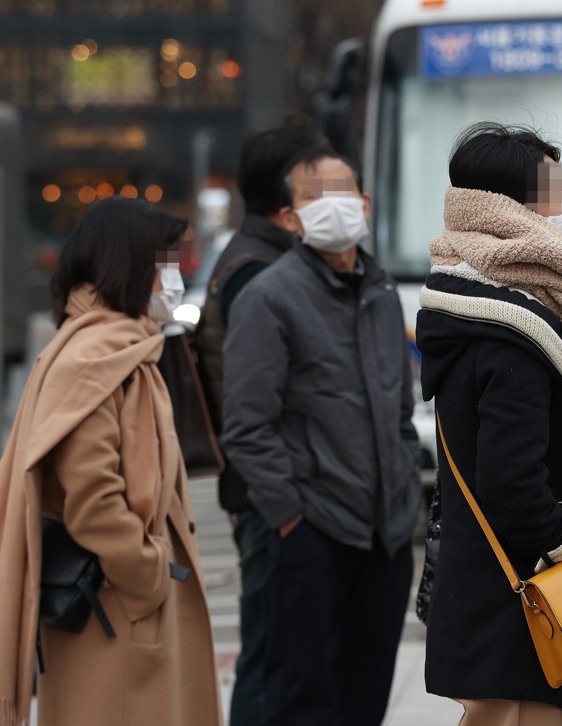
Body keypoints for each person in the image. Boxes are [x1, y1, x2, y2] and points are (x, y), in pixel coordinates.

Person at [416, 122, 562, 726]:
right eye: (560, 191)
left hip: (506, 600)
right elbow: (512, 480)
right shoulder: (512, 333)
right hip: (522, 605)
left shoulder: (499, 311)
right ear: (507, 210)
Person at [0, 197, 220, 726]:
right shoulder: (94, 358)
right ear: (128, 264)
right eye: (164, 261)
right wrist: (145, 575)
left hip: (124, 613)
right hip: (115, 617)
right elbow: (93, 498)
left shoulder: (124, 349)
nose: (172, 277)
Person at [221, 147, 419, 726]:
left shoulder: (380, 291)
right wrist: (290, 516)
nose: (336, 206)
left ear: (365, 203)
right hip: (312, 533)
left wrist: (405, 493)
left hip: (384, 534)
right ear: (291, 216)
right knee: (304, 700)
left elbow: (399, 408)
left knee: (366, 695)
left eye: (345, 193)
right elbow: (247, 424)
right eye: (317, 195)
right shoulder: (269, 297)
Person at [194, 119, 322, 726]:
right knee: (271, 658)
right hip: (274, 496)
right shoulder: (257, 271)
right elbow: (256, 407)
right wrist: (289, 507)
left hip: (277, 491)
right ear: (288, 191)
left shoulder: (265, 258)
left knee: (284, 653)